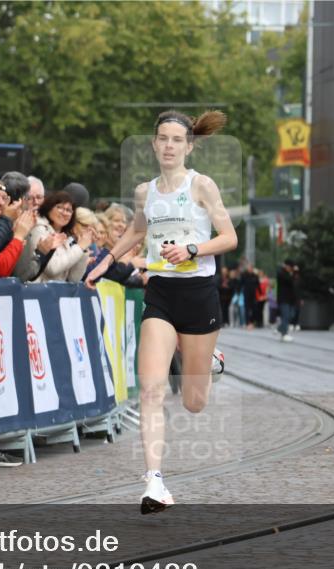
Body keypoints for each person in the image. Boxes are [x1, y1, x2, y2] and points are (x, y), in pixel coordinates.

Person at [85, 109, 237, 514]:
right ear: (153, 144)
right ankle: (154, 482)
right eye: (162, 138)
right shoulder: (144, 191)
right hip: (162, 293)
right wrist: (104, 261)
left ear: (188, 146)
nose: (169, 146)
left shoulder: (201, 186)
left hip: (200, 294)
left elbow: (229, 238)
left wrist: (192, 249)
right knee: (151, 389)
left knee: (194, 401)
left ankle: (208, 360)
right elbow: (137, 230)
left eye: (177, 140)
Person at [276, 259, 298, 342]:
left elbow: (294, 282)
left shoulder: (290, 273)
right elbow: (289, 280)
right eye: (290, 267)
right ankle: (284, 334)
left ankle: (280, 328)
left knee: (291, 315)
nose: (291, 269)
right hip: (283, 298)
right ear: (286, 266)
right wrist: (294, 273)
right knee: (285, 316)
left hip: (291, 299)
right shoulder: (281, 272)